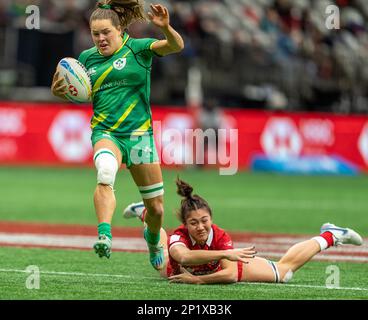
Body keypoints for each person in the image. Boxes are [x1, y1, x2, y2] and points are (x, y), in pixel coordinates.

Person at [51, 0, 184, 270]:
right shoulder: (86, 59)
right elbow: (80, 93)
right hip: (106, 132)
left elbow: (176, 46)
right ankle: (104, 235)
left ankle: (151, 236)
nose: (100, 39)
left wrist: (166, 28)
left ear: (120, 29)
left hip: (139, 137)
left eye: (105, 33)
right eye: (95, 33)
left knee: (157, 209)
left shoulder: (138, 49)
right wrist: (61, 91)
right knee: (105, 172)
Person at [123, 178, 363, 284]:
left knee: (284, 273)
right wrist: (224, 255)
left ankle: (331, 234)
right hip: (182, 267)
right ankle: (144, 212)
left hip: (225, 267)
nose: (200, 226)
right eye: (193, 222)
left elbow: (230, 276)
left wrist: (197, 281)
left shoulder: (221, 236)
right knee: (159, 258)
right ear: (185, 225)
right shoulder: (180, 236)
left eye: (204, 220)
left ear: (211, 218)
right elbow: (184, 257)